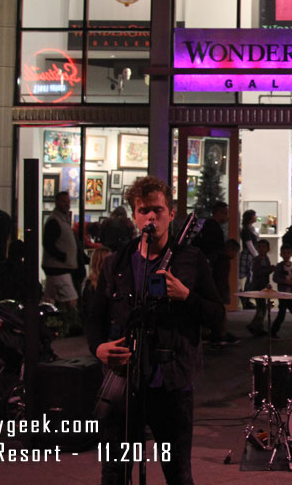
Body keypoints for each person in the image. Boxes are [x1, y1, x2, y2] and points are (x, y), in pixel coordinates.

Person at [86, 175, 224, 485]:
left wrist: (187, 297)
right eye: (144, 210)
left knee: (177, 473)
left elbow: (217, 317)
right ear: (135, 215)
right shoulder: (116, 263)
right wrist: (99, 348)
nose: (151, 217)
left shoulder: (191, 260)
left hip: (171, 383)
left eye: (158, 210)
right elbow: (94, 318)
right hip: (125, 382)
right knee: (114, 472)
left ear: (171, 213)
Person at [41, 192, 79, 311]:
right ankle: (71, 322)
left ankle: (51, 321)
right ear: (56, 202)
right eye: (64, 201)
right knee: (71, 299)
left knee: (49, 300)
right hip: (58, 268)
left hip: (59, 267)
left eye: (68, 202)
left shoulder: (62, 221)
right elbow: (48, 243)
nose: (67, 204)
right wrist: (62, 256)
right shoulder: (55, 221)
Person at [192, 200, 230, 304]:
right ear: (219, 213)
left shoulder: (206, 225)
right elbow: (212, 247)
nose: (227, 217)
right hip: (213, 266)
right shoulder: (214, 228)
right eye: (226, 213)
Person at [271, 244, 292, 340]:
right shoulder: (279, 266)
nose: (286, 255)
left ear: (291, 254)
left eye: (288, 253)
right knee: (281, 314)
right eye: (284, 253)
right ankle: (273, 332)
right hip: (283, 294)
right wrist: (285, 281)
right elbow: (275, 278)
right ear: (281, 254)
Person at [247, 238, 275, 336]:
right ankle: (255, 325)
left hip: (263, 286)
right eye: (259, 247)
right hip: (258, 286)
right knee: (261, 307)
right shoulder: (258, 259)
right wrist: (269, 270)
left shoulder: (265, 258)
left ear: (268, 248)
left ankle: (258, 326)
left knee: (262, 307)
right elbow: (257, 272)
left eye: (264, 247)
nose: (261, 249)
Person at [239, 209, 259, 308]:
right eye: (254, 215)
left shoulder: (251, 228)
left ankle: (247, 299)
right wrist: (256, 256)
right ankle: (245, 299)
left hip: (251, 254)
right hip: (249, 255)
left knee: (250, 278)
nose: (256, 217)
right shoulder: (246, 230)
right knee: (249, 277)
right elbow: (249, 244)